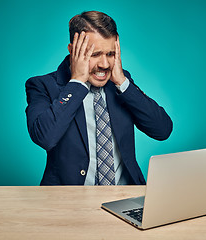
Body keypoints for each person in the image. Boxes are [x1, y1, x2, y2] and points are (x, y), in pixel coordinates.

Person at [25, 11, 173, 185]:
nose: (104, 64)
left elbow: (163, 130)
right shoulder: (42, 85)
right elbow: (45, 137)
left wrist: (122, 83)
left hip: (125, 196)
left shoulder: (121, 83)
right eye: (94, 55)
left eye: (110, 54)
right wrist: (77, 82)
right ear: (73, 50)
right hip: (69, 202)